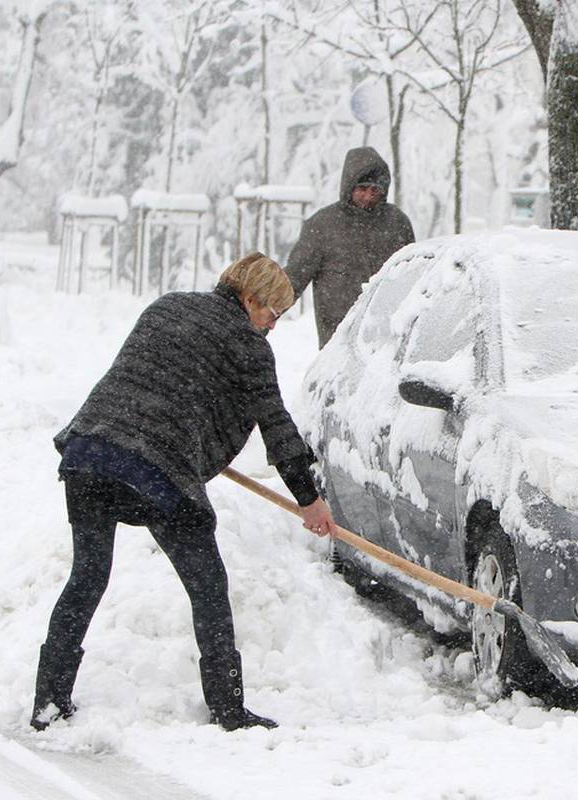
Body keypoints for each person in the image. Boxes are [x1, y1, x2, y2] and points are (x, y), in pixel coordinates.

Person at [32, 252, 337, 732]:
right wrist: (309, 499)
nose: (274, 324)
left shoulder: (166, 306)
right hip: (156, 470)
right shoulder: (249, 346)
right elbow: (277, 428)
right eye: (273, 313)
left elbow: (151, 383)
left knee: (87, 577)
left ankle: (48, 700)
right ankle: (228, 707)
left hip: (91, 454)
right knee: (208, 586)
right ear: (250, 298)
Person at [286, 146, 415, 347]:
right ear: (349, 187)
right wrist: (258, 322)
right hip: (338, 342)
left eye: (375, 190)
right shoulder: (322, 226)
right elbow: (292, 280)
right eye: (362, 189)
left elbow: (414, 278)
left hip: (388, 343)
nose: (368, 196)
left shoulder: (397, 224)